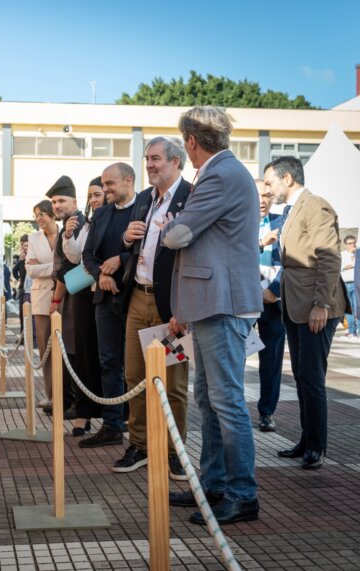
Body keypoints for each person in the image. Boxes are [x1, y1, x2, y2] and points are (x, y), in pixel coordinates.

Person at [162, 106, 262, 525]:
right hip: (212, 302)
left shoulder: (219, 175)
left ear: (190, 141)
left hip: (222, 303)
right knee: (209, 398)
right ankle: (215, 484)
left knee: (225, 401)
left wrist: (171, 225)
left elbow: (178, 235)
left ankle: (241, 493)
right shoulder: (225, 171)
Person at [265, 156, 350, 470]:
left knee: (312, 377)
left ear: (287, 179)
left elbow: (329, 258)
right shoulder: (291, 210)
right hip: (295, 305)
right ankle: (306, 440)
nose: (268, 189)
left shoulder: (315, 206)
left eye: (271, 182)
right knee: (302, 376)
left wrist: (321, 304)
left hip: (316, 306)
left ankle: (316, 446)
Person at [117, 136, 192, 479]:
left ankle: (175, 451)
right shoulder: (145, 198)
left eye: (156, 158)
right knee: (134, 377)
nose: (149, 164)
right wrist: (126, 238)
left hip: (170, 303)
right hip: (137, 297)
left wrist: (182, 308)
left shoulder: (191, 196)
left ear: (176, 162)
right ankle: (140, 445)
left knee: (173, 383)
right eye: (147, 158)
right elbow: (132, 246)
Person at [80, 162, 137, 448]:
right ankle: (112, 425)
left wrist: (122, 261)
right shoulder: (101, 214)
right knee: (109, 363)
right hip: (105, 299)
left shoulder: (145, 208)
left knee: (138, 366)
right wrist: (101, 275)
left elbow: (152, 250)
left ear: (128, 181)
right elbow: (88, 254)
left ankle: (140, 427)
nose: (105, 190)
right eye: (103, 185)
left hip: (137, 297)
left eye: (110, 184)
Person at [63, 176, 105, 431]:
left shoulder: (119, 218)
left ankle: (114, 415)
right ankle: (84, 412)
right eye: (90, 196)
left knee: (108, 355)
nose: (94, 200)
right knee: (83, 354)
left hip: (108, 291)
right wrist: (68, 235)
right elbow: (75, 256)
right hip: (83, 294)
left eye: (98, 194)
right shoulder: (87, 224)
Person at [47, 175, 88, 426]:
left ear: (75, 201)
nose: (57, 205)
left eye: (61, 200)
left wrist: (56, 299)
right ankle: (73, 403)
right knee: (69, 350)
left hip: (76, 294)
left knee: (75, 351)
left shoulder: (78, 224)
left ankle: (78, 406)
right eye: (54, 202)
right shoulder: (68, 225)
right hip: (70, 293)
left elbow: (69, 266)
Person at [255, 179, 285, 432]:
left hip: (274, 302)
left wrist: (274, 290)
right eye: (258, 195)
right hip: (243, 300)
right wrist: (261, 243)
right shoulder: (237, 220)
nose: (263, 200)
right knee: (235, 356)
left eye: (267, 195)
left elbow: (291, 259)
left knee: (271, 360)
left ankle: (267, 412)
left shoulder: (282, 222)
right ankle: (230, 409)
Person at [26, 199, 59, 409]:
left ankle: (67, 396)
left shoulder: (67, 234)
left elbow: (73, 263)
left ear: (52, 214)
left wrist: (43, 266)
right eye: (36, 215)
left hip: (65, 296)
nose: (38, 218)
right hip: (41, 300)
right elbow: (30, 270)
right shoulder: (33, 238)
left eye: (42, 214)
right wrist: (55, 267)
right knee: (45, 349)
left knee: (66, 349)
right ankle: (51, 395)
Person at [341, 235, 358, 338]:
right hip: (346, 284)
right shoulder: (342, 255)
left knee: (358, 308)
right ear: (345, 245)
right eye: (350, 243)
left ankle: (358, 331)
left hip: (357, 284)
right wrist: (353, 264)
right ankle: (352, 331)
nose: (353, 245)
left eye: (354, 243)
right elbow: (342, 267)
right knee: (349, 309)